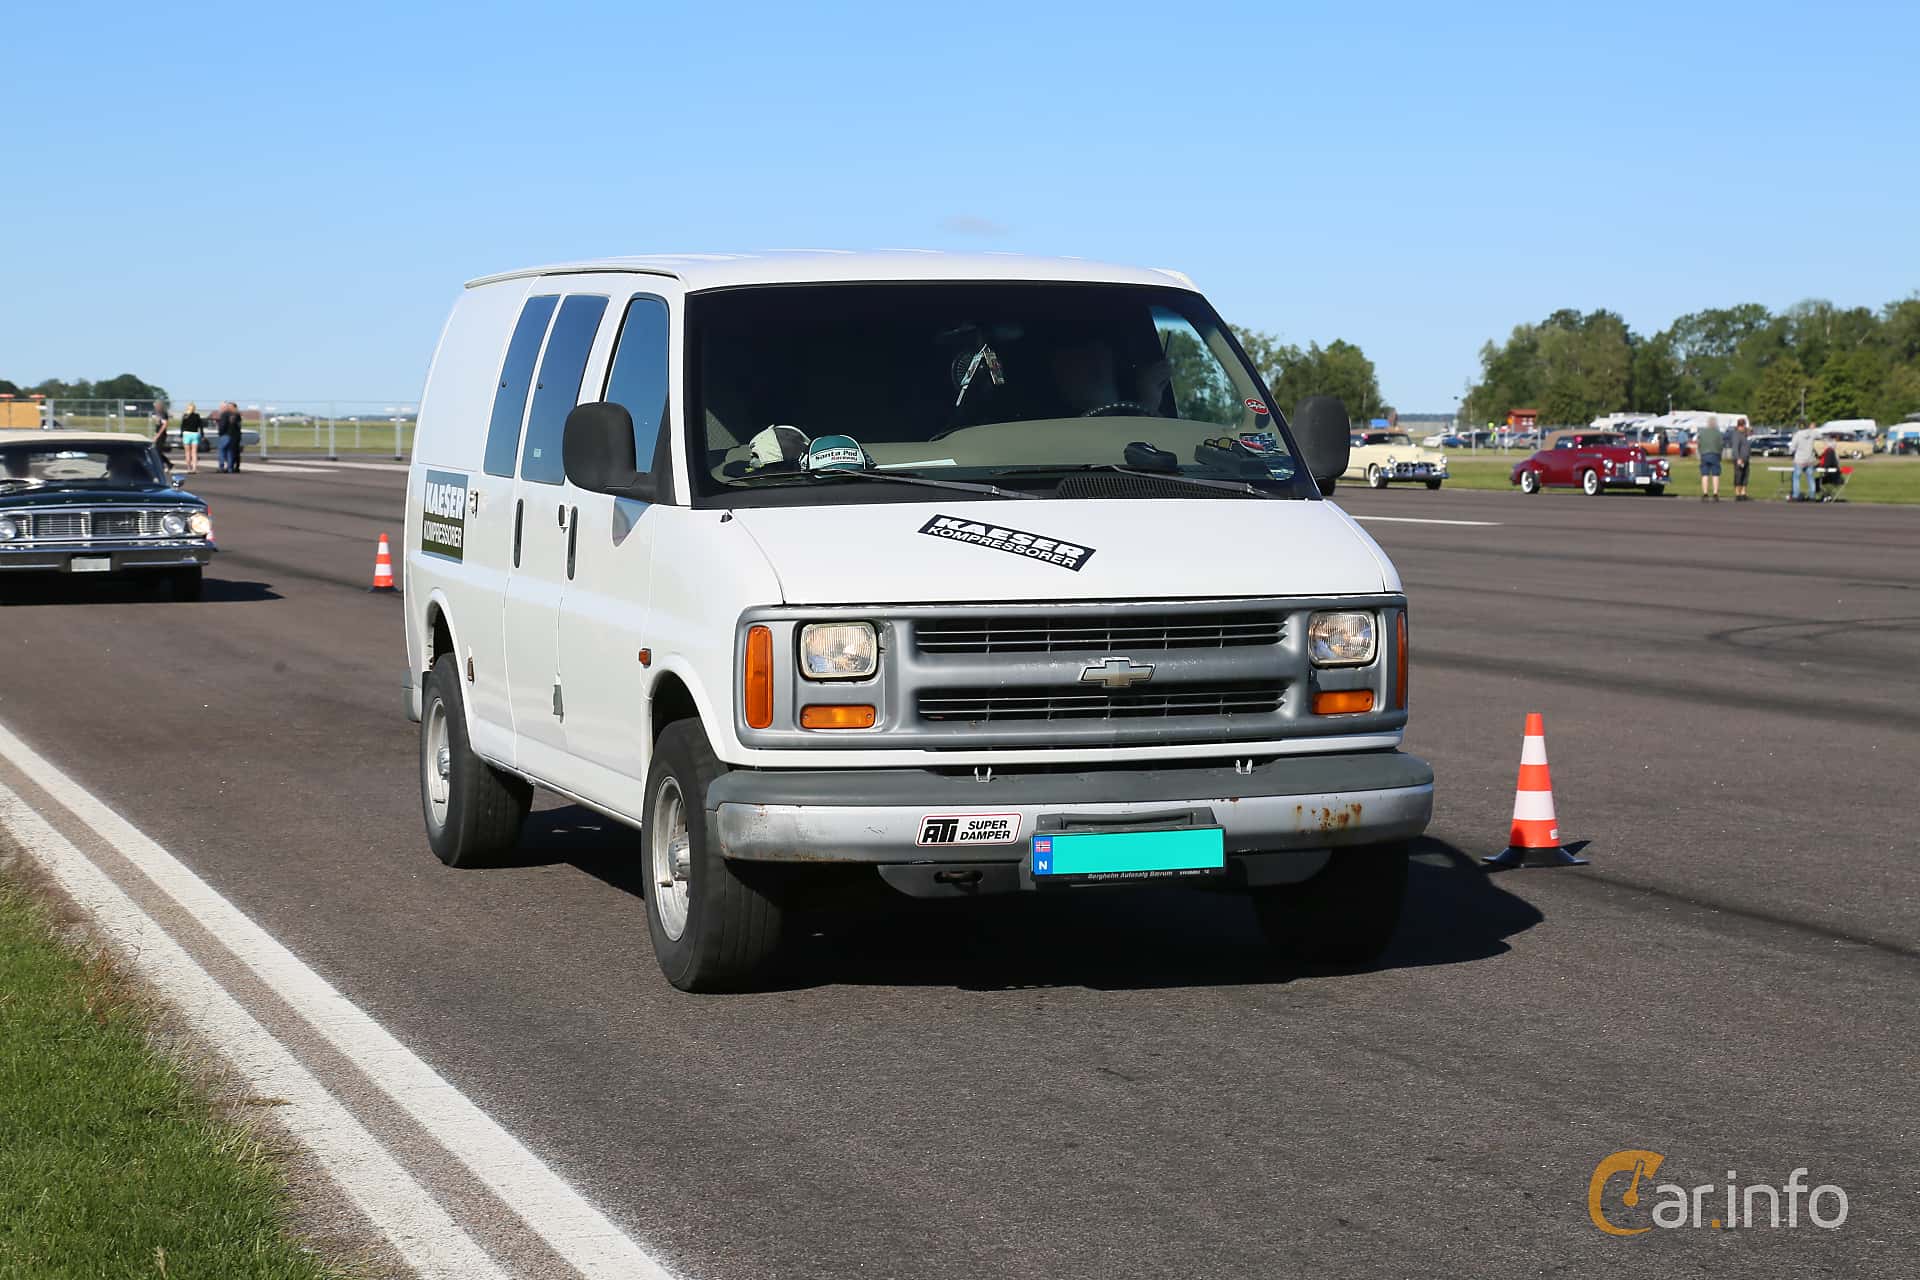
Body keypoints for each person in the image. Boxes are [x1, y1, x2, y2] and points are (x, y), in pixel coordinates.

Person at [1695, 414, 1724, 502]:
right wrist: (1719, 454)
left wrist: (1701, 452)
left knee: (1705, 474)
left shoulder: (1702, 432)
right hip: (1715, 454)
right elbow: (1721, 445)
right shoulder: (1718, 433)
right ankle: (1715, 493)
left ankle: (1705, 493)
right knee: (1715, 474)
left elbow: (1699, 444)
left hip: (1704, 454)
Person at [1789, 421, 1819, 501]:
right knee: (1810, 477)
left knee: (1796, 477)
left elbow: (1792, 447)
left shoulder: (1797, 434)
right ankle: (1812, 495)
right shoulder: (1812, 433)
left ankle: (1796, 495)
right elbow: (1820, 435)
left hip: (1800, 459)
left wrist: (1790, 452)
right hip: (1810, 459)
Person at [216, 402, 244, 473]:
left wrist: (220, 432)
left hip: (225, 435)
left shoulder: (224, 414)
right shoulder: (237, 415)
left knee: (222, 451)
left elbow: (223, 425)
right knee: (230, 452)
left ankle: (221, 467)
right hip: (233, 436)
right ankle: (230, 468)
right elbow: (239, 426)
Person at [1729, 420, 1753, 501]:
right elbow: (1735, 448)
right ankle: (1737, 494)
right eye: (1743, 426)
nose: (1744, 427)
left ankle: (1743, 493)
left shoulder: (1744, 434)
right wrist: (1738, 458)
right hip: (1739, 459)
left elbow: (1751, 432)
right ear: (1740, 426)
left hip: (1746, 458)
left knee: (1745, 476)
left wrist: (1749, 431)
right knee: (1738, 476)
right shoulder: (1736, 434)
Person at [179, 402, 204, 473]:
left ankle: (188, 468)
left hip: (186, 434)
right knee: (194, 452)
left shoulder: (185, 416)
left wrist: (181, 434)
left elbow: (182, 426)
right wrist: (202, 434)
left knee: (187, 452)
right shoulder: (197, 416)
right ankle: (194, 468)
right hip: (195, 434)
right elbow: (200, 426)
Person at [150, 402, 172, 468]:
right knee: (157, 450)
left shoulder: (163, 414)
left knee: (158, 451)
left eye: (156, 406)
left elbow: (164, 425)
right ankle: (168, 463)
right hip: (158, 433)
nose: (155, 408)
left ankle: (162, 465)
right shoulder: (158, 414)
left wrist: (158, 435)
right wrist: (155, 434)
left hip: (162, 435)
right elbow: (158, 425)